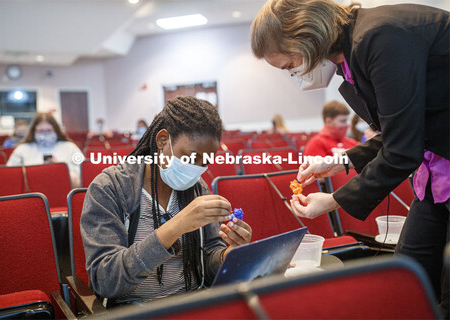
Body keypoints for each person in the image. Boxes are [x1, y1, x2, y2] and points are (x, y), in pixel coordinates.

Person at [251, 0, 449, 314]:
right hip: (439, 177)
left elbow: (402, 149)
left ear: (308, 39)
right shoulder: (354, 57)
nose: (294, 75)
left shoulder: (380, 36)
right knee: (408, 282)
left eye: (289, 66)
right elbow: (400, 130)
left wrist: (332, 201)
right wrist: (340, 160)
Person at [80, 96, 252, 306]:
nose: (196, 169)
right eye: (190, 158)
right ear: (162, 140)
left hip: (193, 305)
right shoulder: (110, 187)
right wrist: (175, 226)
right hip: (133, 310)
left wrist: (227, 255)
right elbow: (105, 280)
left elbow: (207, 261)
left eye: (204, 162)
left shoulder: (198, 188)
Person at [6, 112, 84, 188]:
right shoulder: (22, 149)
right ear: (34, 131)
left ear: (56, 130)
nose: (45, 134)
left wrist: (60, 169)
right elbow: (10, 179)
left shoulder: (70, 147)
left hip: (64, 194)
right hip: (32, 195)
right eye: (41, 131)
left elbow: (83, 181)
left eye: (48, 130)